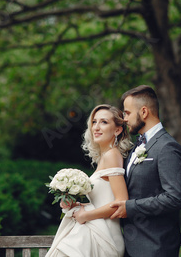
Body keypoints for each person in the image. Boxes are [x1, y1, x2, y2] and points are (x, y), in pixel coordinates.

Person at [46, 104, 133, 257]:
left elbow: (121, 203)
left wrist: (86, 215)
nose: (96, 127)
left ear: (117, 130)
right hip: (95, 230)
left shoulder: (112, 155)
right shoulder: (104, 157)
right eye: (94, 122)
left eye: (104, 122)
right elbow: (103, 201)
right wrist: (75, 204)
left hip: (105, 236)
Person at [110, 85, 181, 257]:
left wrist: (130, 207)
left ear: (144, 112)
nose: (124, 119)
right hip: (130, 246)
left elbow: (174, 198)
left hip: (155, 247)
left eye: (127, 113)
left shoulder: (167, 147)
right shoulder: (137, 145)